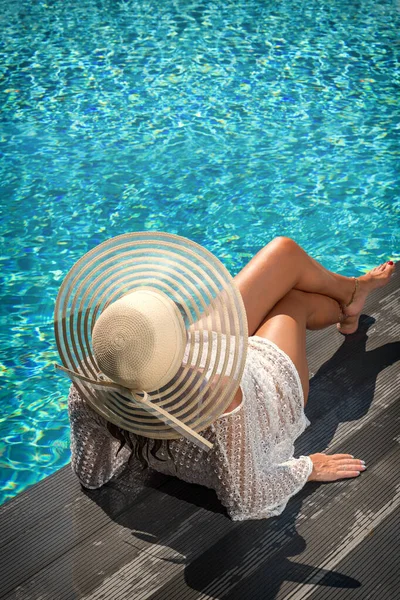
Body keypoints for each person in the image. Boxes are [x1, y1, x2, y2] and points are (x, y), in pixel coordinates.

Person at [55, 232, 395, 521]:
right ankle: (348, 303)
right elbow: (246, 497)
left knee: (283, 252)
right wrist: (308, 468)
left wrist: (127, 418)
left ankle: (353, 292)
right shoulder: (218, 392)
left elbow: (92, 475)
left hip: (179, 370)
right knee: (292, 301)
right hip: (261, 390)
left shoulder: (92, 381)